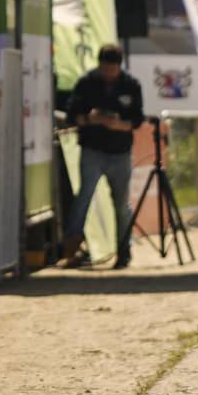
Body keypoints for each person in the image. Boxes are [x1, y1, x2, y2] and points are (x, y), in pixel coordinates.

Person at [62, 44, 144, 269]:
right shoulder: (86, 83)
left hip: (120, 153)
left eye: (112, 69)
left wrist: (117, 124)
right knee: (83, 199)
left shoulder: (131, 85)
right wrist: (90, 119)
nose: (108, 73)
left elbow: (136, 121)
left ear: (119, 66)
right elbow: (72, 116)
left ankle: (124, 251)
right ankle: (72, 249)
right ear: (99, 66)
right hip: (92, 151)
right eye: (104, 69)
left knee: (121, 205)